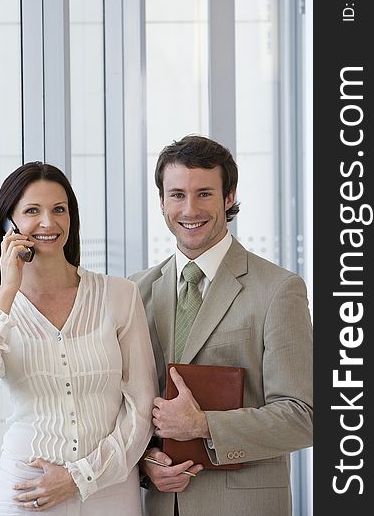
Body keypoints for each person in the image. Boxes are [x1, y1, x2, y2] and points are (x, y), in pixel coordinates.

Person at [0, 161, 158, 515]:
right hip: (27, 490)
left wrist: (80, 477)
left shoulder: (120, 295)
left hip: (109, 489)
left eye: (59, 209)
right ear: (7, 225)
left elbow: (141, 405)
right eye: (32, 211)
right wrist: (7, 294)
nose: (48, 222)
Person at [130, 135, 313, 516]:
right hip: (161, 506)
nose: (190, 208)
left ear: (229, 198)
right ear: (162, 201)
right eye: (177, 194)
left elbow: (303, 416)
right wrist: (147, 463)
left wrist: (203, 424)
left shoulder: (279, 290)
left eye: (205, 194)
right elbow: (124, 406)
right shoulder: (136, 291)